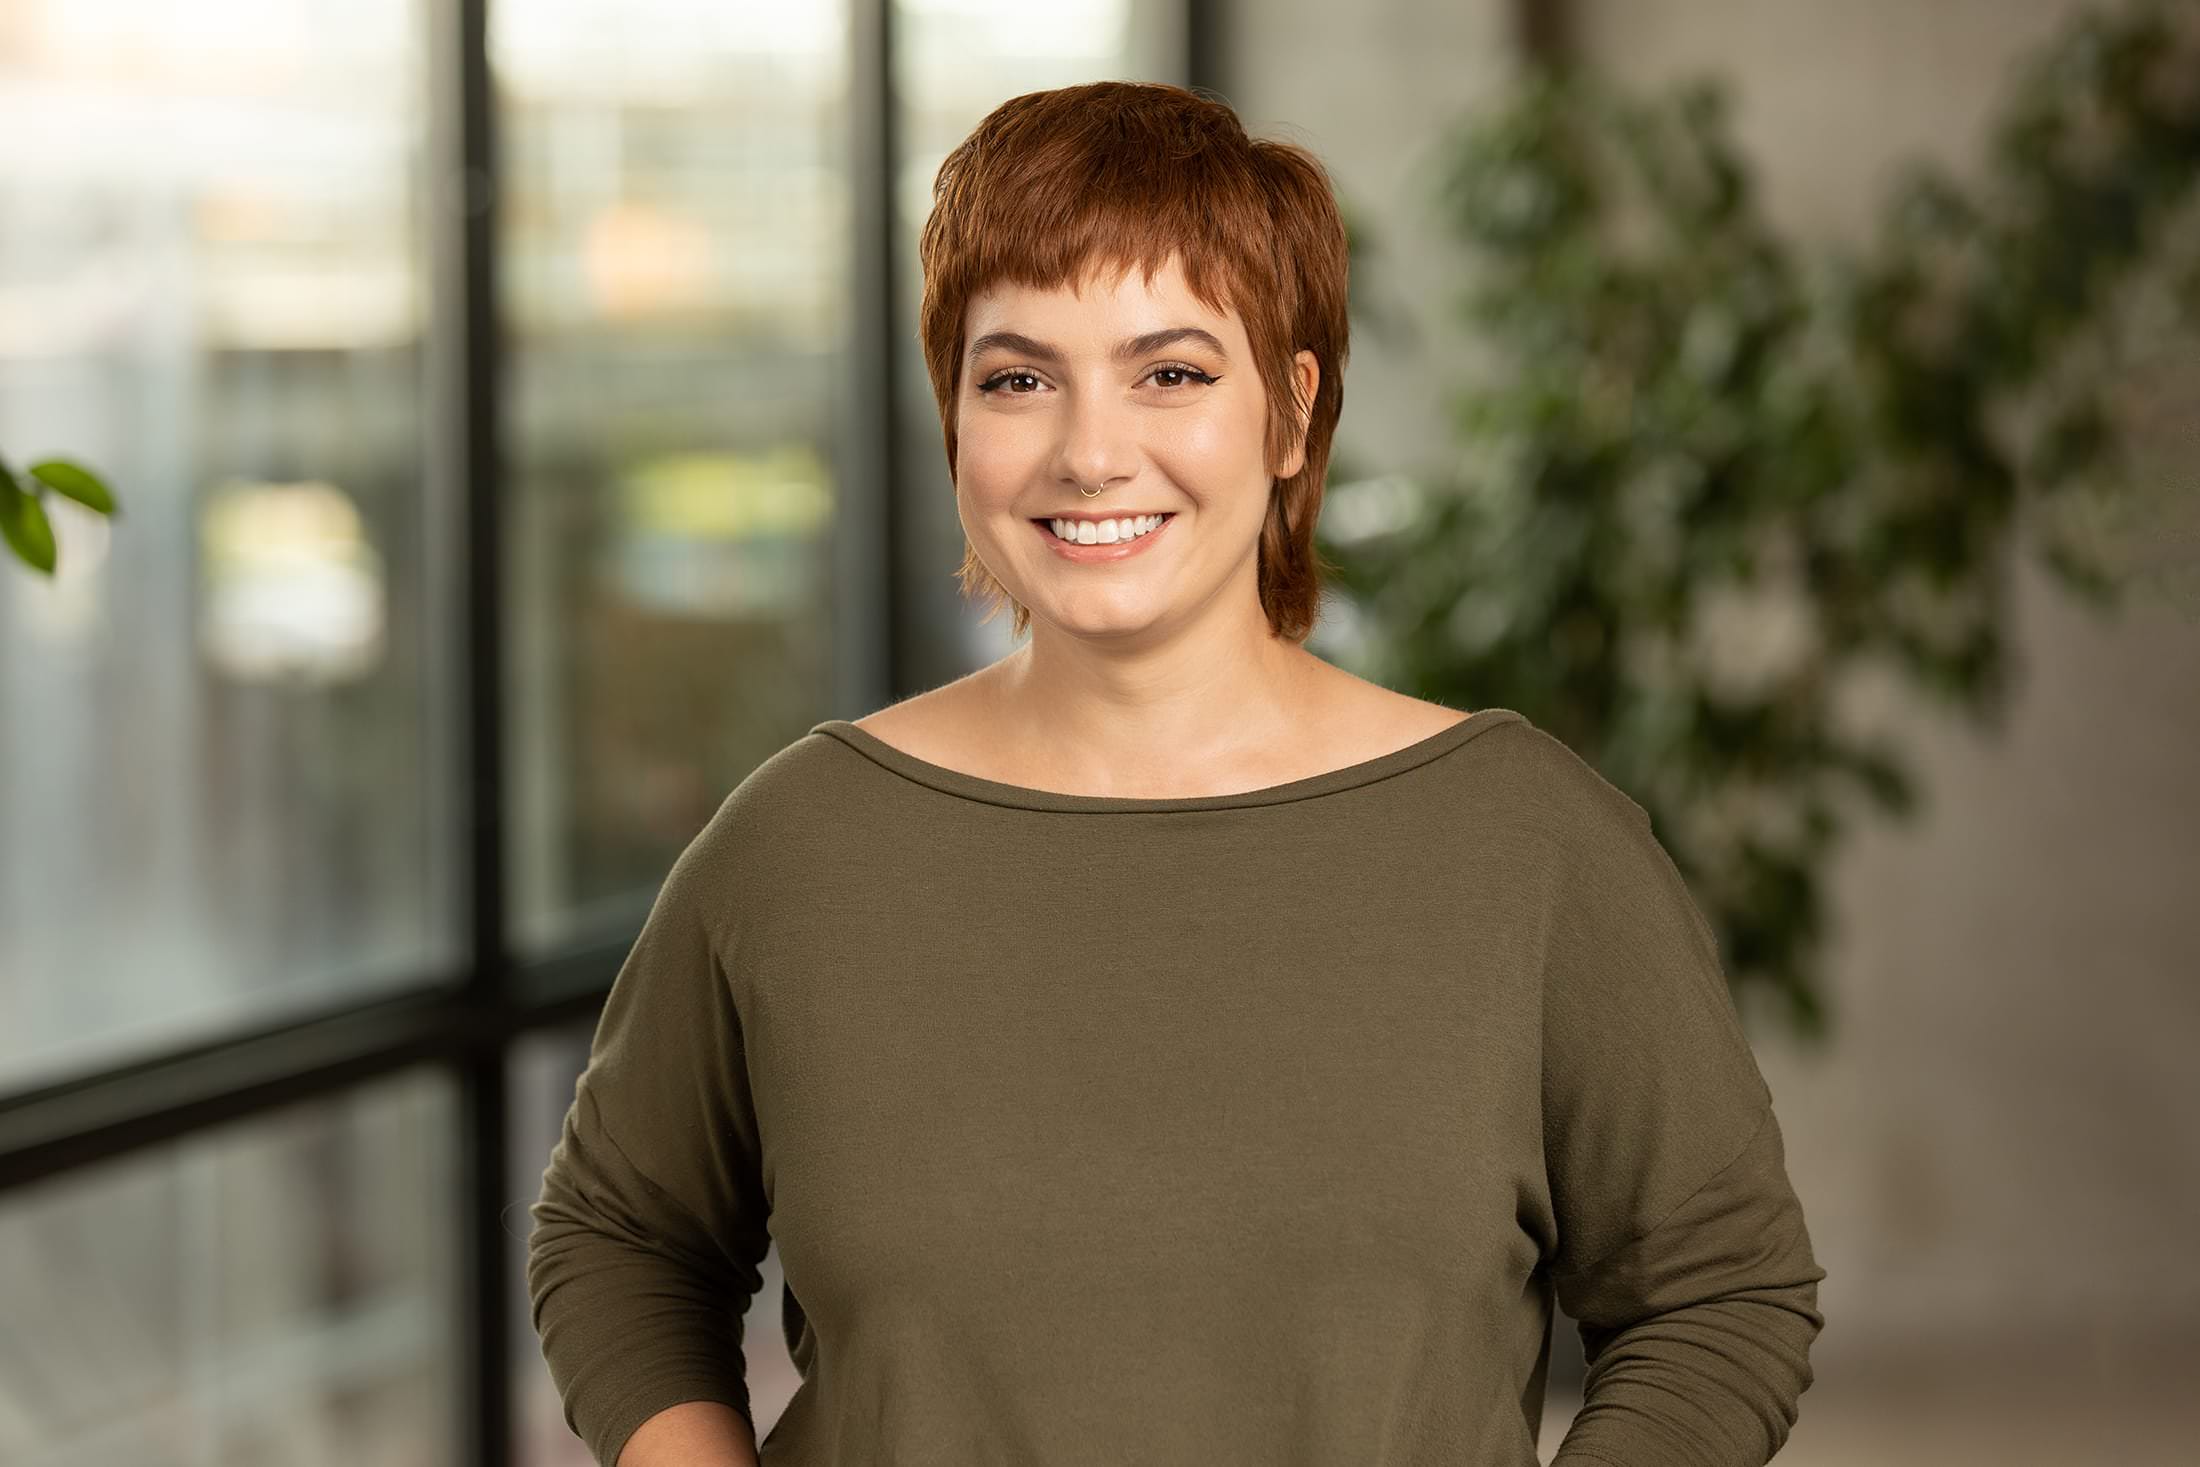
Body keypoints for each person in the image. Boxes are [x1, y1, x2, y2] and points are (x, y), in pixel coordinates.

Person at [527, 80, 1825, 1467]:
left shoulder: (1525, 843)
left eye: (1173, 372)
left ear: (1290, 416)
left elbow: (1719, 1295)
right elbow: (621, 1235)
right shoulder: (799, 845)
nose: (1091, 452)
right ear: (955, 421)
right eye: (1018, 377)